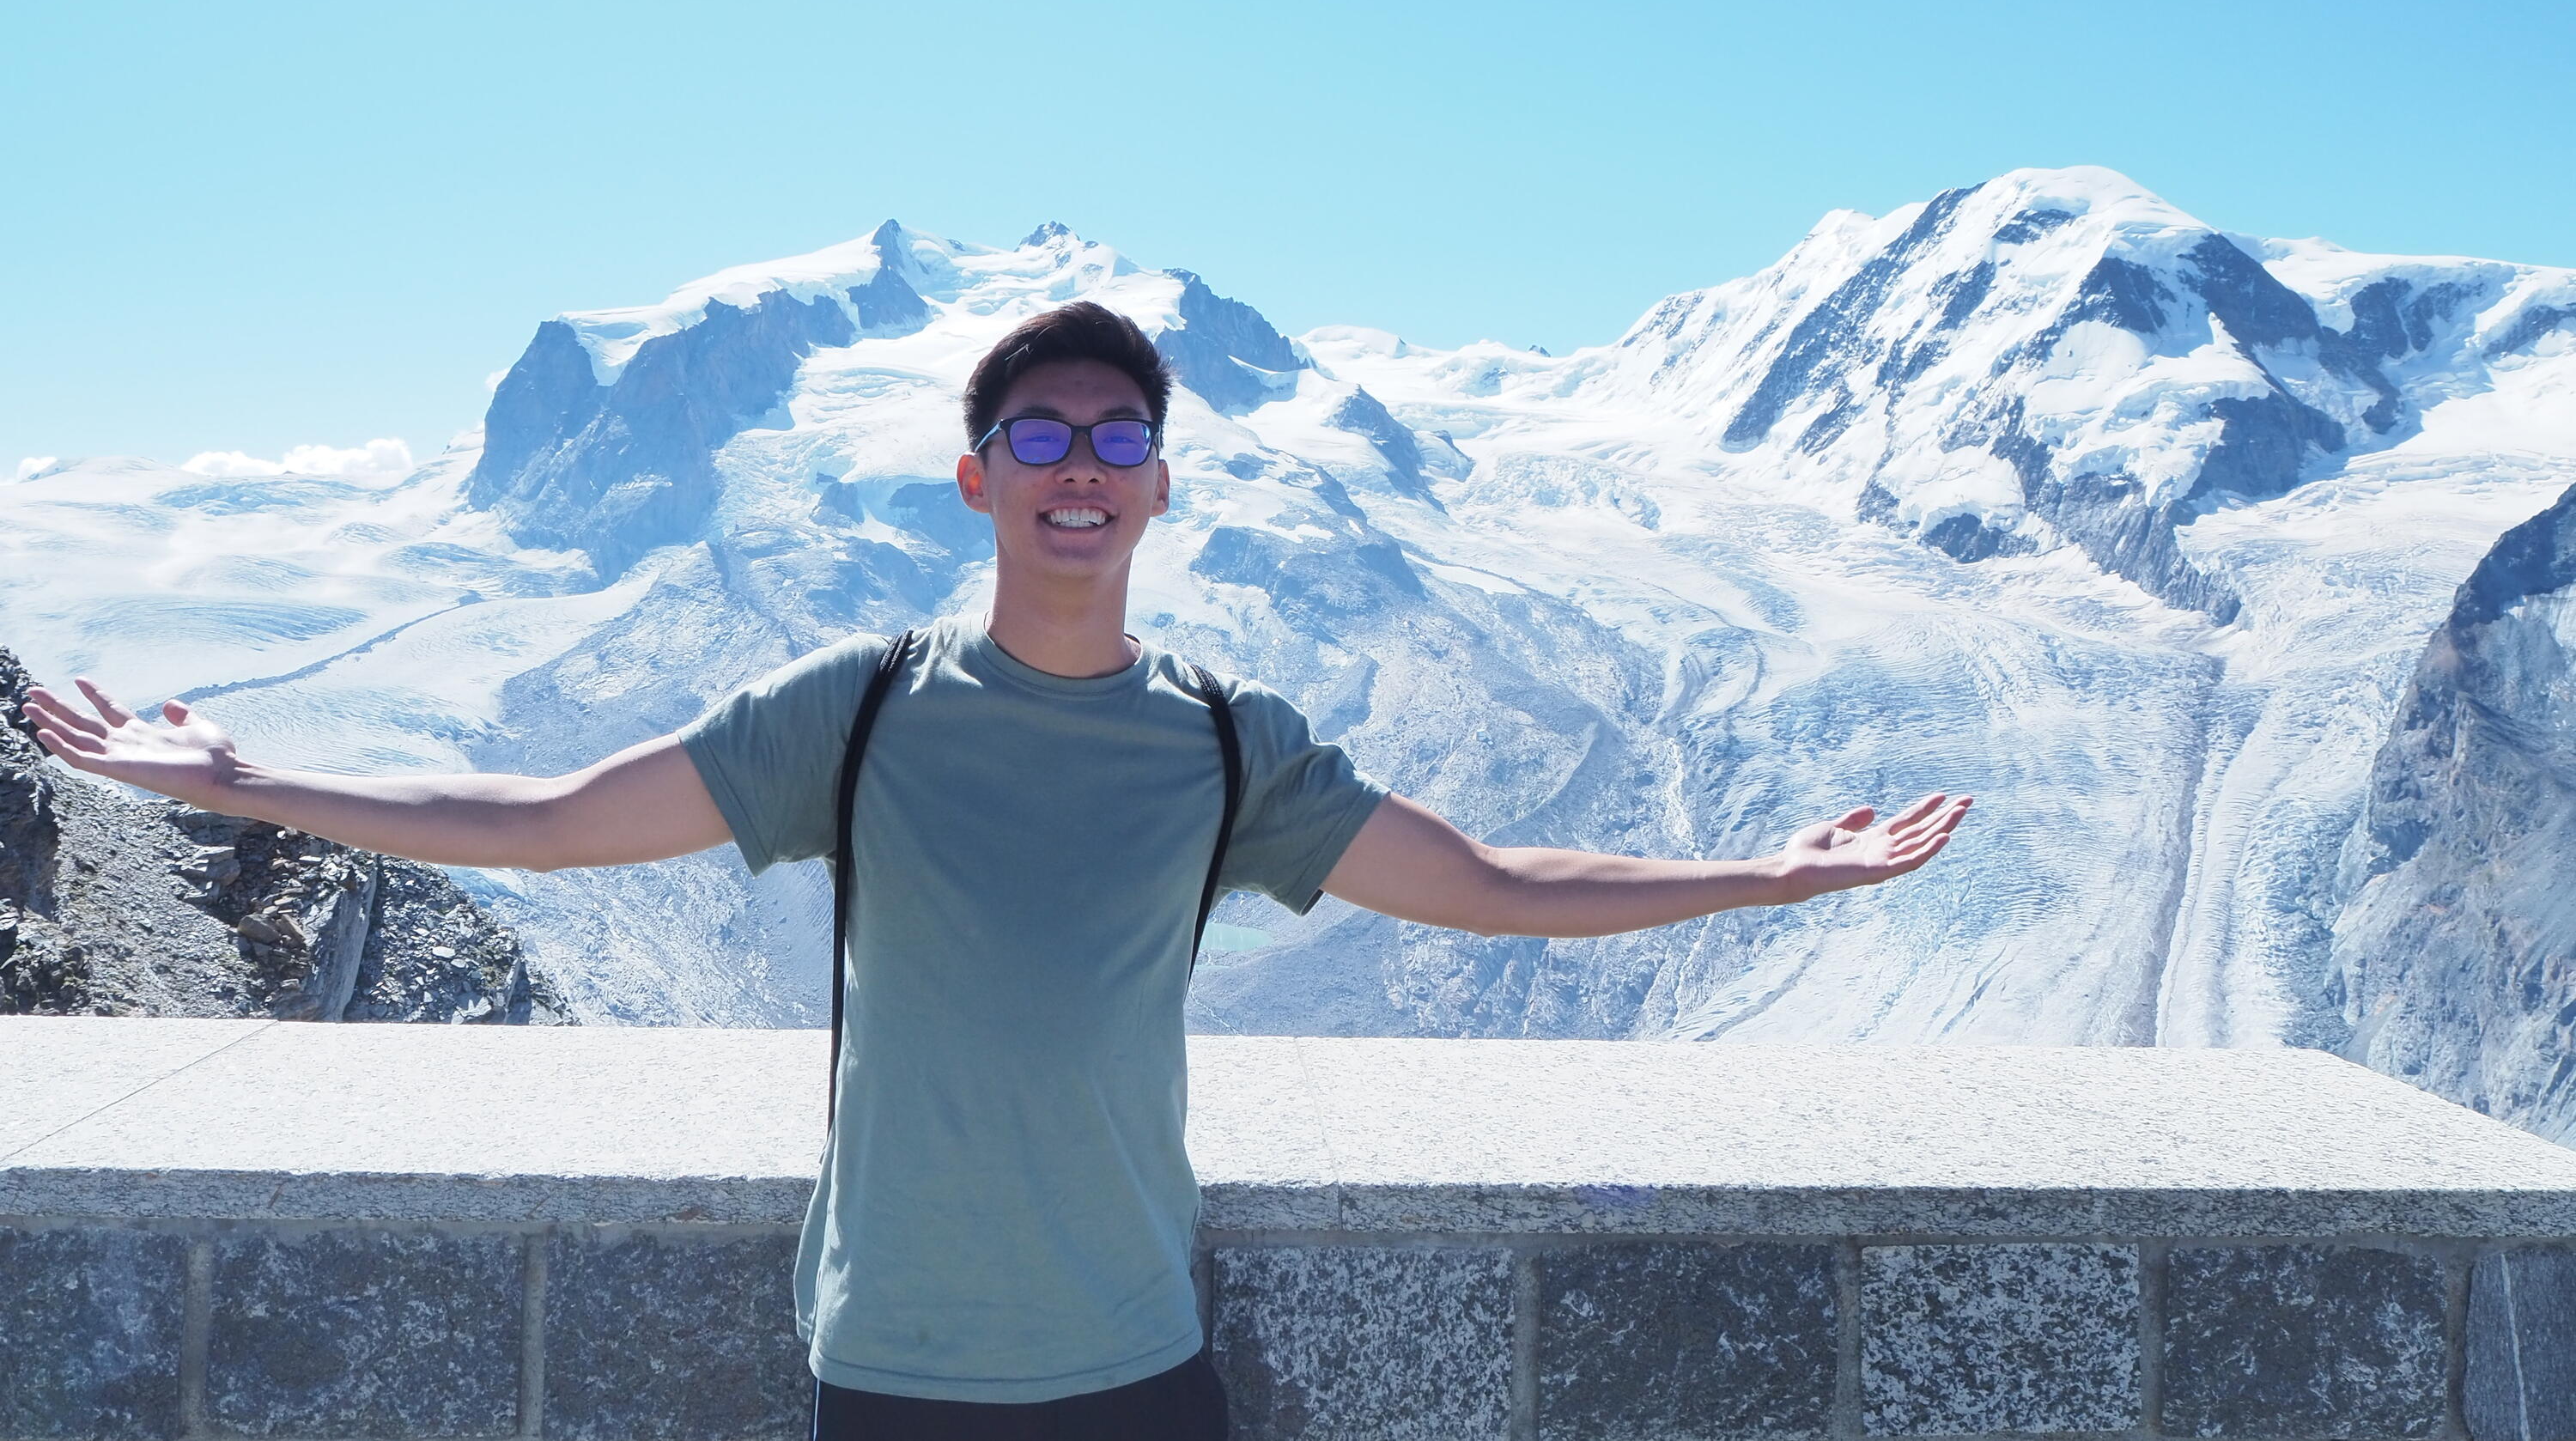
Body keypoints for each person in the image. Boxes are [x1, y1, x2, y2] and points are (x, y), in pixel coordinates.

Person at [27, 300, 1970, 1441]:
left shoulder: (1224, 738)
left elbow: (1491, 883)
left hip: (1142, 1356)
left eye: (1119, 433)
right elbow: (541, 825)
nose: (1080, 461)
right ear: (977, 477)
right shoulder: (854, 712)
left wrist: (1763, 880)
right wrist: (253, 777)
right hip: (892, 1359)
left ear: (1160, 482)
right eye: (1038, 429)